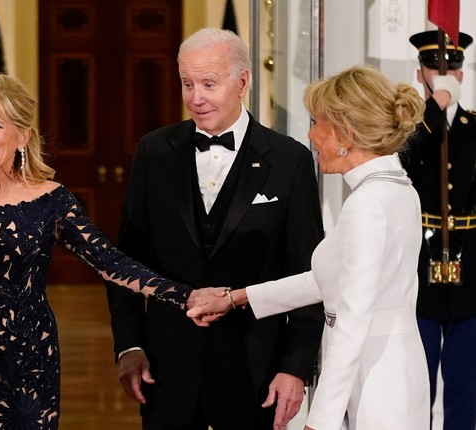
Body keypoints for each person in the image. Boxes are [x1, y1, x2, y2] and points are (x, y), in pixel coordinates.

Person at [0, 73, 198, 429]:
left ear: (23, 135)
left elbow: (110, 262)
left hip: (30, 362)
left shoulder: (51, 199)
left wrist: (187, 297)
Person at [105, 27, 325, 430]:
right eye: (187, 83)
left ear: (242, 82)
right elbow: (126, 263)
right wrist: (129, 345)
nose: (195, 97)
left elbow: (309, 276)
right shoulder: (153, 152)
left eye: (209, 83)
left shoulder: (289, 161)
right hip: (167, 371)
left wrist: (295, 367)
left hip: (256, 375)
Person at [188, 65, 429, 430]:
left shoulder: (368, 202)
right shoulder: (395, 187)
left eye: (317, 122)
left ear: (346, 131)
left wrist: (320, 422)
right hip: (387, 369)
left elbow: (352, 319)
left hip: (374, 379)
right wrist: (235, 298)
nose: (311, 136)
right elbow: (327, 281)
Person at [402, 30, 476, 430]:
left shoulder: (475, 128)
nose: (444, 73)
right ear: (421, 74)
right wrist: (436, 108)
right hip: (420, 265)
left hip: (471, 266)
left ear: (462, 74)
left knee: (465, 385)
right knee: (418, 379)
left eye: (452, 67)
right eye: (434, 67)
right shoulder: (413, 129)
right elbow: (406, 158)